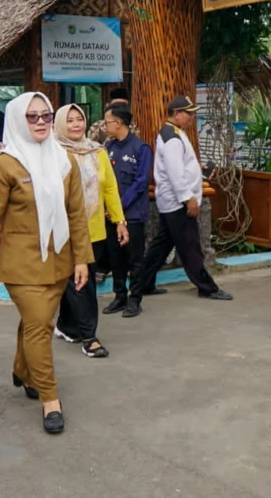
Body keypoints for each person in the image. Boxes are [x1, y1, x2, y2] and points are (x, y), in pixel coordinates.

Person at [0, 92, 92, 435]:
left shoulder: (64, 159)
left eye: (46, 115)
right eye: (32, 116)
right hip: (21, 264)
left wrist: (82, 258)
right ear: (17, 120)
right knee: (39, 325)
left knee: (35, 322)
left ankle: (23, 370)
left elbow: (76, 215)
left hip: (59, 259)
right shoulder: (4, 164)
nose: (41, 122)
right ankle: (50, 399)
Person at [134, 96, 233, 303]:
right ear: (177, 113)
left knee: (160, 246)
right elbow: (175, 173)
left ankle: (143, 283)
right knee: (190, 247)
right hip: (177, 202)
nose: (191, 117)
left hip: (173, 200)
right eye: (188, 113)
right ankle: (207, 287)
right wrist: (188, 198)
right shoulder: (171, 138)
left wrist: (199, 170)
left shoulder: (175, 134)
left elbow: (180, 167)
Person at [52, 103, 127, 359]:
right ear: (61, 123)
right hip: (66, 228)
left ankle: (66, 325)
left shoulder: (98, 152)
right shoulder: (53, 153)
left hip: (94, 230)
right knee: (81, 283)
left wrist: (119, 221)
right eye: (70, 120)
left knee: (78, 279)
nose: (75, 124)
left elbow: (110, 189)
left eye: (79, 119)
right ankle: (89, 337)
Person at [101, 103, 154, 318]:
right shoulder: (108, 148)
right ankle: (119, 295)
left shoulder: (141, 149)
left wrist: (119, 205)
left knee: (135, 258)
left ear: (119, 123)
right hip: (111, 216)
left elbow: (141, 182)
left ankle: (135, 299)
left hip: (132, 214)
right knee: (116, 258)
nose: (105, 126)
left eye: (107, 122)